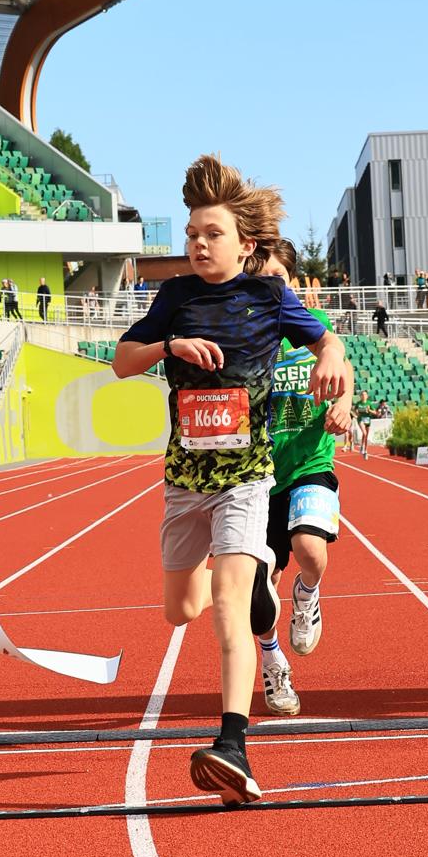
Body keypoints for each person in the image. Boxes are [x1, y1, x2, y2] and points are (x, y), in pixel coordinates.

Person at [112, 155, 346, 807]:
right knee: (179, 609)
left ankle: (233, 745)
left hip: (245, 478)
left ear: (245, 244)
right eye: (191, 233)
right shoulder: (174, 298)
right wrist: (169, 347)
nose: (197, 243)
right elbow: (121, 362)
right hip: (184, 480)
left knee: (228, 607)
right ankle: (244, 590)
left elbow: (328, 342)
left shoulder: (269, 297)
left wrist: (331, 359)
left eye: (211, 233)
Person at [255, 240, 354, 719]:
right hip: (257, 476)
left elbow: (342, 365)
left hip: (311, 462)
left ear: (293, 283)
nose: (272, 287)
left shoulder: (312, 328)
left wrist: (344, 404)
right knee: (258, 587)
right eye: (262, 280)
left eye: (279, 278)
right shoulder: (247, 336)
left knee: (311, 550)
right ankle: (273, 662)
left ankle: (307, 594)